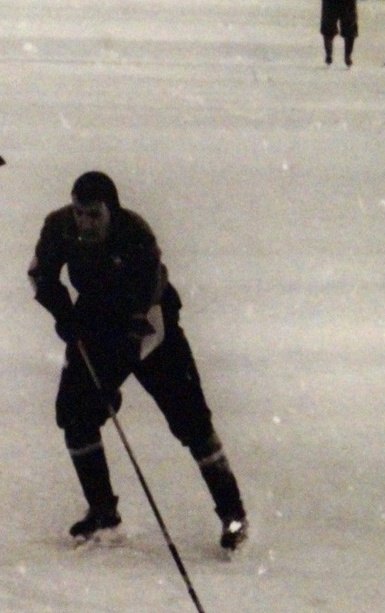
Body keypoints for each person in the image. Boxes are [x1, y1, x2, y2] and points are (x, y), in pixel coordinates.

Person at [28, 171, 251, 553]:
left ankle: (233, 516)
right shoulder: (59, 226)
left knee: (191, 420)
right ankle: (103, 514)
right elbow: (40, 274)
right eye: (80, 213)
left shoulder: (136, 236)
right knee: (75, 413)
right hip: (96, 320)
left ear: (111, 211)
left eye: (94, 214)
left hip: (150, 327)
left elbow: (146, 305)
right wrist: (63, 314)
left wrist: (119, 363)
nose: (86, 223)